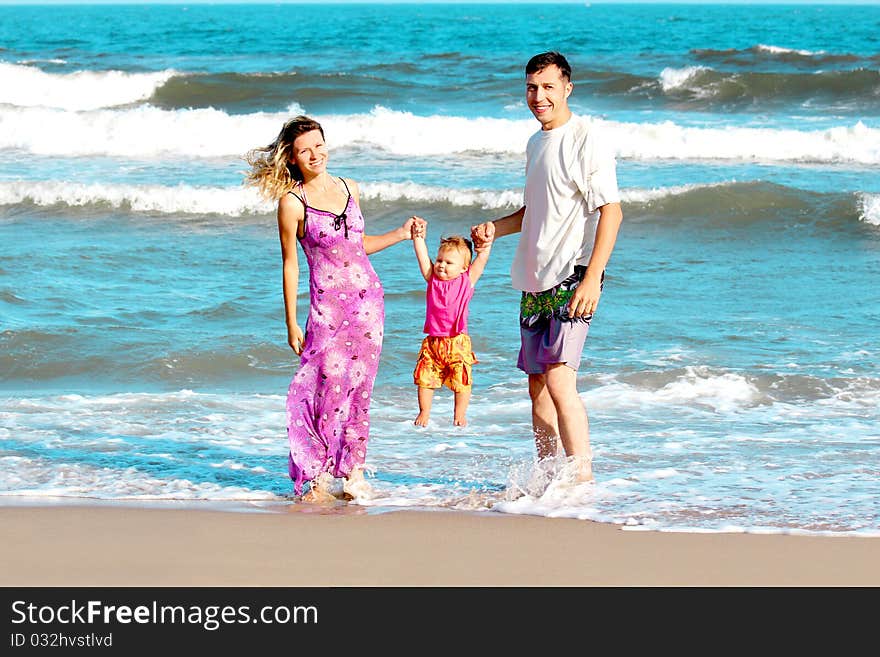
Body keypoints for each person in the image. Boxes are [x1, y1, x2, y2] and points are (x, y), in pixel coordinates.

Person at [245, 115, 424, 503]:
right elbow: (290, 263)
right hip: (326, 311)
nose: (315, 154)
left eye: (319, 145)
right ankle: (317, 476)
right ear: (292, 158)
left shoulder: (350, 187)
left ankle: (354, 473)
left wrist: (399, 233)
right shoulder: (293, 203)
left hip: (368, 306)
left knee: (360, 390)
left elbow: (356, 248)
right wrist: (292, 320)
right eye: (304, 150)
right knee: (324, 387)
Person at [471, 51, 623, 483]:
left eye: (548, 87)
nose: (539, 96)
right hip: (535, 277)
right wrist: (495, 228)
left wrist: (592, 277)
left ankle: (582, 479)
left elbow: (611, 211)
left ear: (567, 88)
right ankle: (548, 478)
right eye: (531, 88)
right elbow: (533, 211)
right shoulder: (536, 142)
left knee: (559, 379)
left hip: (573, 273)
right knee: (537, 385)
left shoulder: (585, 138)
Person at [410, 222, 491, 427]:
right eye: (439, 260)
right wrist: (418, 237)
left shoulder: (466, 281)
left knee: (462, 381)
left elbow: (481, 260)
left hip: (457, 342)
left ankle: (459, 414)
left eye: (448, 262)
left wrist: (484, 245)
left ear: (464, 267)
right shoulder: (432, 280)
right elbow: (422, 257)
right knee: (424, 378)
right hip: (433, 342)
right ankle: (424, 412)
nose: (441, 265)